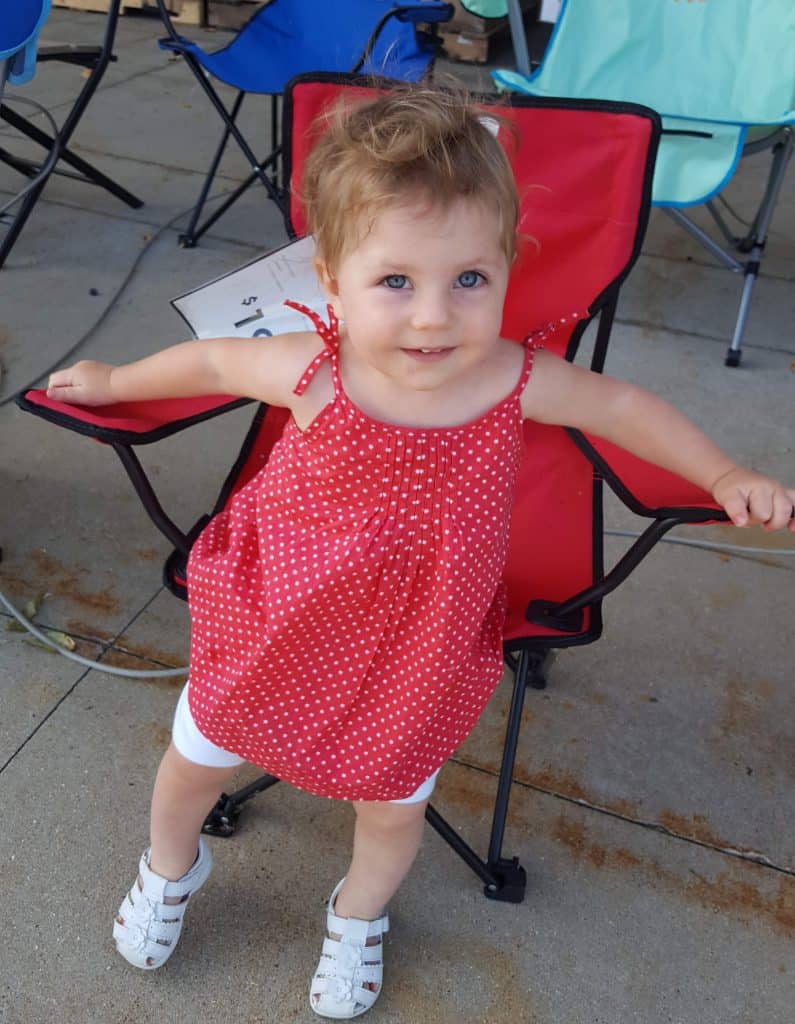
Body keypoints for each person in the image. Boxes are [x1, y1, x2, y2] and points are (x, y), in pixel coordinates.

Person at [46, 84, 795, 1019]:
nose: (435, 317)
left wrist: (723, 473)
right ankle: (171, 865)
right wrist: (115, 378)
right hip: (276, 614)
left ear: (507, 270)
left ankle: (357, 913)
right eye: (395, 281)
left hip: (414, 645)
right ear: (331, 279)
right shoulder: (312, 367)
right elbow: (208, 364)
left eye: (468, 280)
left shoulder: (513, 380)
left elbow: (624, 409)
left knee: (393, 807)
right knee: (194, 760)